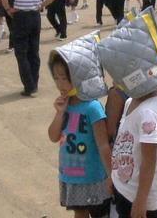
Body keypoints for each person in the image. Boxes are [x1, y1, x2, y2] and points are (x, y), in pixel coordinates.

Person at [47, 52, 112, 218]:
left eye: (64, 78)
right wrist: (59, 113)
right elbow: (53, 136)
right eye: (56, 78)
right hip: (71, 175)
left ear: (77, 76)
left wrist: (111, 175)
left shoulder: (92, 107)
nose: (60, 84)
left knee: (101, 213)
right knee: (79, 213)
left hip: (93, 177)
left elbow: (103, 145)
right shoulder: (64, 105)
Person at [0, 0, 58, 97]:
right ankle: (34, 83)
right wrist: (42, 5)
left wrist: (8, 10)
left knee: (21, 53)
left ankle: (29, 86)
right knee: (34, 52)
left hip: (20, 17)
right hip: (35, 17)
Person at [111, 90, 157, 217]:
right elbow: (122, 143)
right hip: (126, 191)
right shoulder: (130, 101)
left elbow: (149, 161)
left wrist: (141, 200)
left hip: (145, 201)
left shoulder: (148, 112)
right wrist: (114, 176)